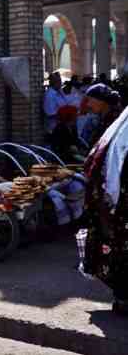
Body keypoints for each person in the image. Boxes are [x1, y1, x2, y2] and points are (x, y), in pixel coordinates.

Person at [82, 105, 128, 315]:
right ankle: (122, 299)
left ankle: (122, 298)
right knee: (121, 250)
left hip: (114, 203)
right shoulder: (122, 132)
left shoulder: (120, 127)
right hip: (118, 204)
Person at [85, 83, 122, 147]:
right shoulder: (103, 119)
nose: (88, 104)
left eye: (90, 100)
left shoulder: (113, 121)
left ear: (101, 101)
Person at [43, 72, 68, 138]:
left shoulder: (59, 91)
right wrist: (63, 115)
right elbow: (50, 113)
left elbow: (66, 103)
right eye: (59, 81)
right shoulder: (49, 95)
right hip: (54, 129)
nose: (60, 83)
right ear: (53, 82)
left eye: (60, 80)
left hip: (62, 126)